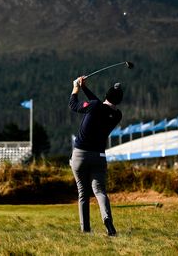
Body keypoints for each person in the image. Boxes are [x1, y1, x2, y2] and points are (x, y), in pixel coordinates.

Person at [69, 76, 123, 236]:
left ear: (106, 95)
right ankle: (107, 220)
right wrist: (85, 88)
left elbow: (73, 105)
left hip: (80, 155)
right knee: (100, 191)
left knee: (83, 192)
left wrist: (76, 88)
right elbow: (99, 104)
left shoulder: (94, 106)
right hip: (99, 156)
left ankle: (85, 230)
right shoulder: (117, 115)